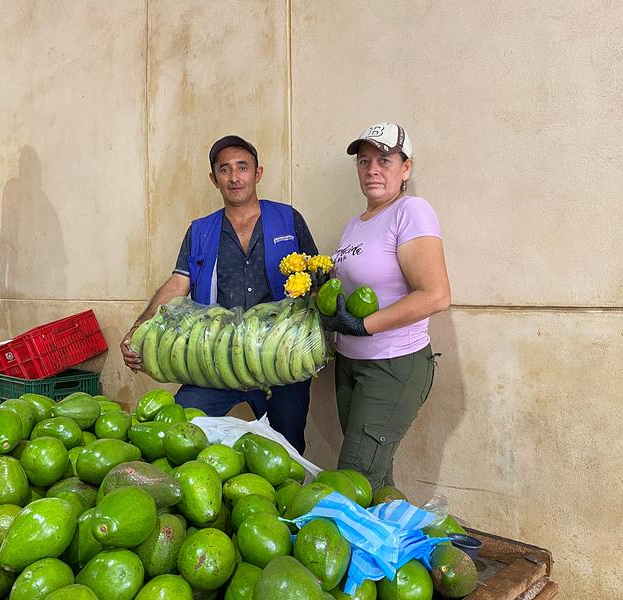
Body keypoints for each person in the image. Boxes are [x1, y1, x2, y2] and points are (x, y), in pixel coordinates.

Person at [121, 135, 319, 453]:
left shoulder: (288, 220)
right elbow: (177, 285)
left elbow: (316, 280)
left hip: (279, 361)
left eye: (243, 167)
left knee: (287, 449)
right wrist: (136, 330)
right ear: (214, 179)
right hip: (214, 359)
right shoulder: (201, 230)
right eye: (224, 170)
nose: (234, 177)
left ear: (258, 173)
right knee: (178, 431)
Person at [322, 122, 451, 489]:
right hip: (351, 364)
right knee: (374, 481)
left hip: (391, 366)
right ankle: (400, 545)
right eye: (364, 162)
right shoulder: (356, 223)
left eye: (384, 160)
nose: (372, 170)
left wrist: (365, 326)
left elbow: (436, 294)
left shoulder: (411, 211)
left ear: (405, 168)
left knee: (351, 481)